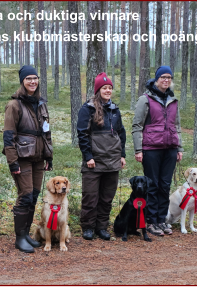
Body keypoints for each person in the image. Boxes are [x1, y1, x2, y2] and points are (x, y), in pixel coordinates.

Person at [3, 65, 53, 253]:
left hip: (39, 158)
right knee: (24, 196)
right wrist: (12, 161)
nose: (32, 81)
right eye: (28, 78)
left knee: (33, 196)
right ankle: (19, 238)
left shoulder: (41, 103)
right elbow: (8, 136)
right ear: (22, 81)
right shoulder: (14, 105)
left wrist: (49, 156)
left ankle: (26, 234)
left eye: (35, 78)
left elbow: (46, 132)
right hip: (22, 158)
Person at [132, 65, 183, 236]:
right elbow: (137, 125)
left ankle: (162, 220)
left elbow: (177, 126)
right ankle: (151, 221)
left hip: (170, 149)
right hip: (151, 149)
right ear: (156, 79)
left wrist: (179, 147)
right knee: (152, 186)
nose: (166, 80)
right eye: (163, 77)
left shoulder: (173, 100)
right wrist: (138, 149)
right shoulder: (145, 99)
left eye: (169, 77)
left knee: (165, 185)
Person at [77, 72, 126, 241]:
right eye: (104, 88)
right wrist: (88, 156)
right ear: (98, 90)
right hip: (93, 161)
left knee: (107, 197)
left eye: (110, 88)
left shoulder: (115, 109)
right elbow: (82, 134)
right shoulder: (87, 109)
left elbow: (121, 133)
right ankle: (88, 227)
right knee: (90, 197)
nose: (108, 90)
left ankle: (102, 227)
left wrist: (122, 155)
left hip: (113, 160)